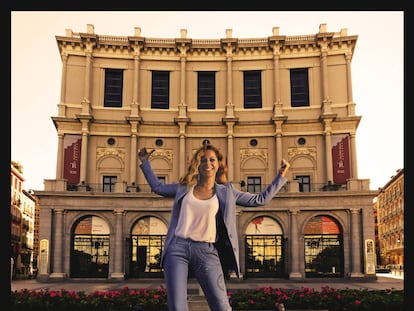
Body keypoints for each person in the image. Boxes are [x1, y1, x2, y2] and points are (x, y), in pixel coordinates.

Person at [138, 144, 290, 311]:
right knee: (177, 307)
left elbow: (259, 200)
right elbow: (158, 187)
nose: (207, 163)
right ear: (197, 164)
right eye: (203, 159)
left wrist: (280, 176)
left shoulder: (227, 192)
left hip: (206, 250)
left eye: (212, 159)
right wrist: (145, 162)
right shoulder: (184, 187)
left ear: (219, 164)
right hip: (177, 248)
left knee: (221, 306)